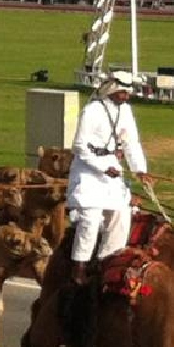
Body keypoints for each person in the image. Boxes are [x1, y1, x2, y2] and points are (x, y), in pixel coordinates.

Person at [67, 71, 151, 285]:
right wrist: (102, 167)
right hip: (88, 172)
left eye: (128, 93)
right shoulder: (92, 110)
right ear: (112, 89)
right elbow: (79, 146)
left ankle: (107, 261)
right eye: (123, 92)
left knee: (122, 217)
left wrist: (140, 170)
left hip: (113, 171)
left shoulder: (126, 112)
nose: (126, 96)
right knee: (91, 221)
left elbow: (132, 143)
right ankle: (79, 267)